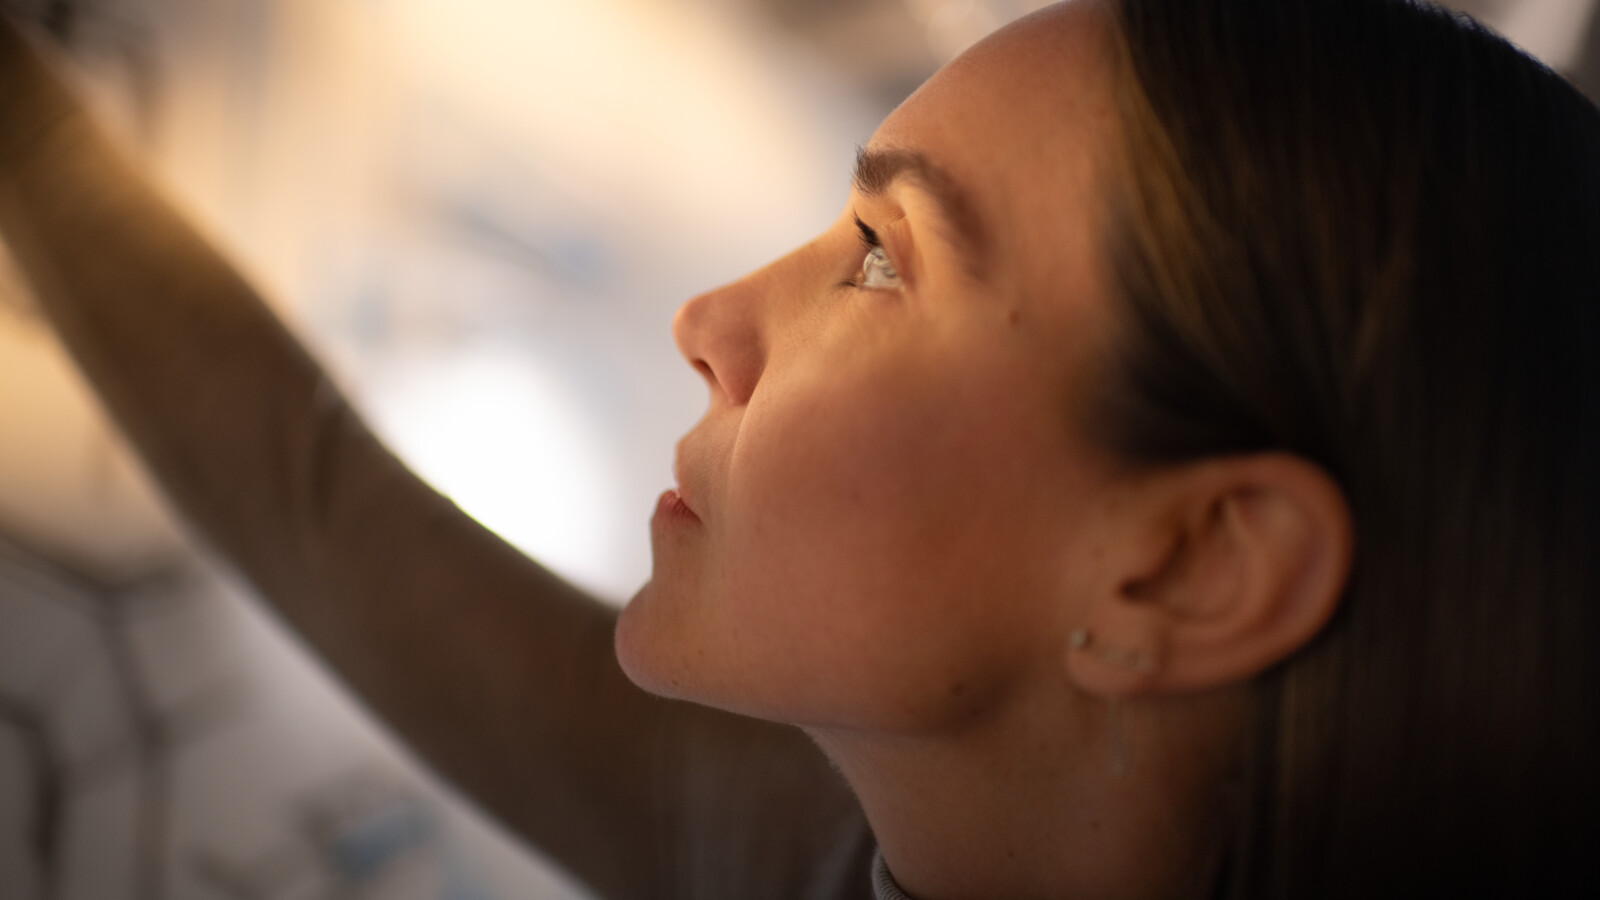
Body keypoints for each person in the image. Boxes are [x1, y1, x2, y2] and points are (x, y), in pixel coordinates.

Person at [1, 0, 1595, 896]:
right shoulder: (813, 852)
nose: (709, 317)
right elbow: (314, 499)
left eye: (886, 258)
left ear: (1191, 564)